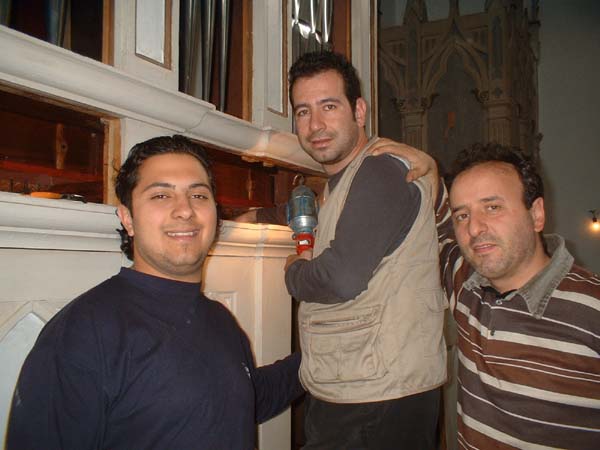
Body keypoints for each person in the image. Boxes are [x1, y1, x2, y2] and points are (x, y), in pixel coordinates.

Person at [6, 135, 304, 450]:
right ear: (128, 219)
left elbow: (241, 400)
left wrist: (317, 355)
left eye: (198, 195)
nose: (185, 210)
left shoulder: (220, 319)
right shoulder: (81, 333)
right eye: (161, 195)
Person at [373, 142, 600, 448]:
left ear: (536, 214)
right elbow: (442, 231)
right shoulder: (466, 285)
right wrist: (430, 171)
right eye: (463, 215)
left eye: (492, 207)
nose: (474, 228)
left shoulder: (592, 308)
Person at [283, 51, 447, 449]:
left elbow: (339, 278)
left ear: (359, 110)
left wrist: (293, 271)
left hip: (375, 400)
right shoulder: (346, 181)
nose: (315, 125)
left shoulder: (379, 171)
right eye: (303, 111)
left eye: (329, 106)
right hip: (365, 388)